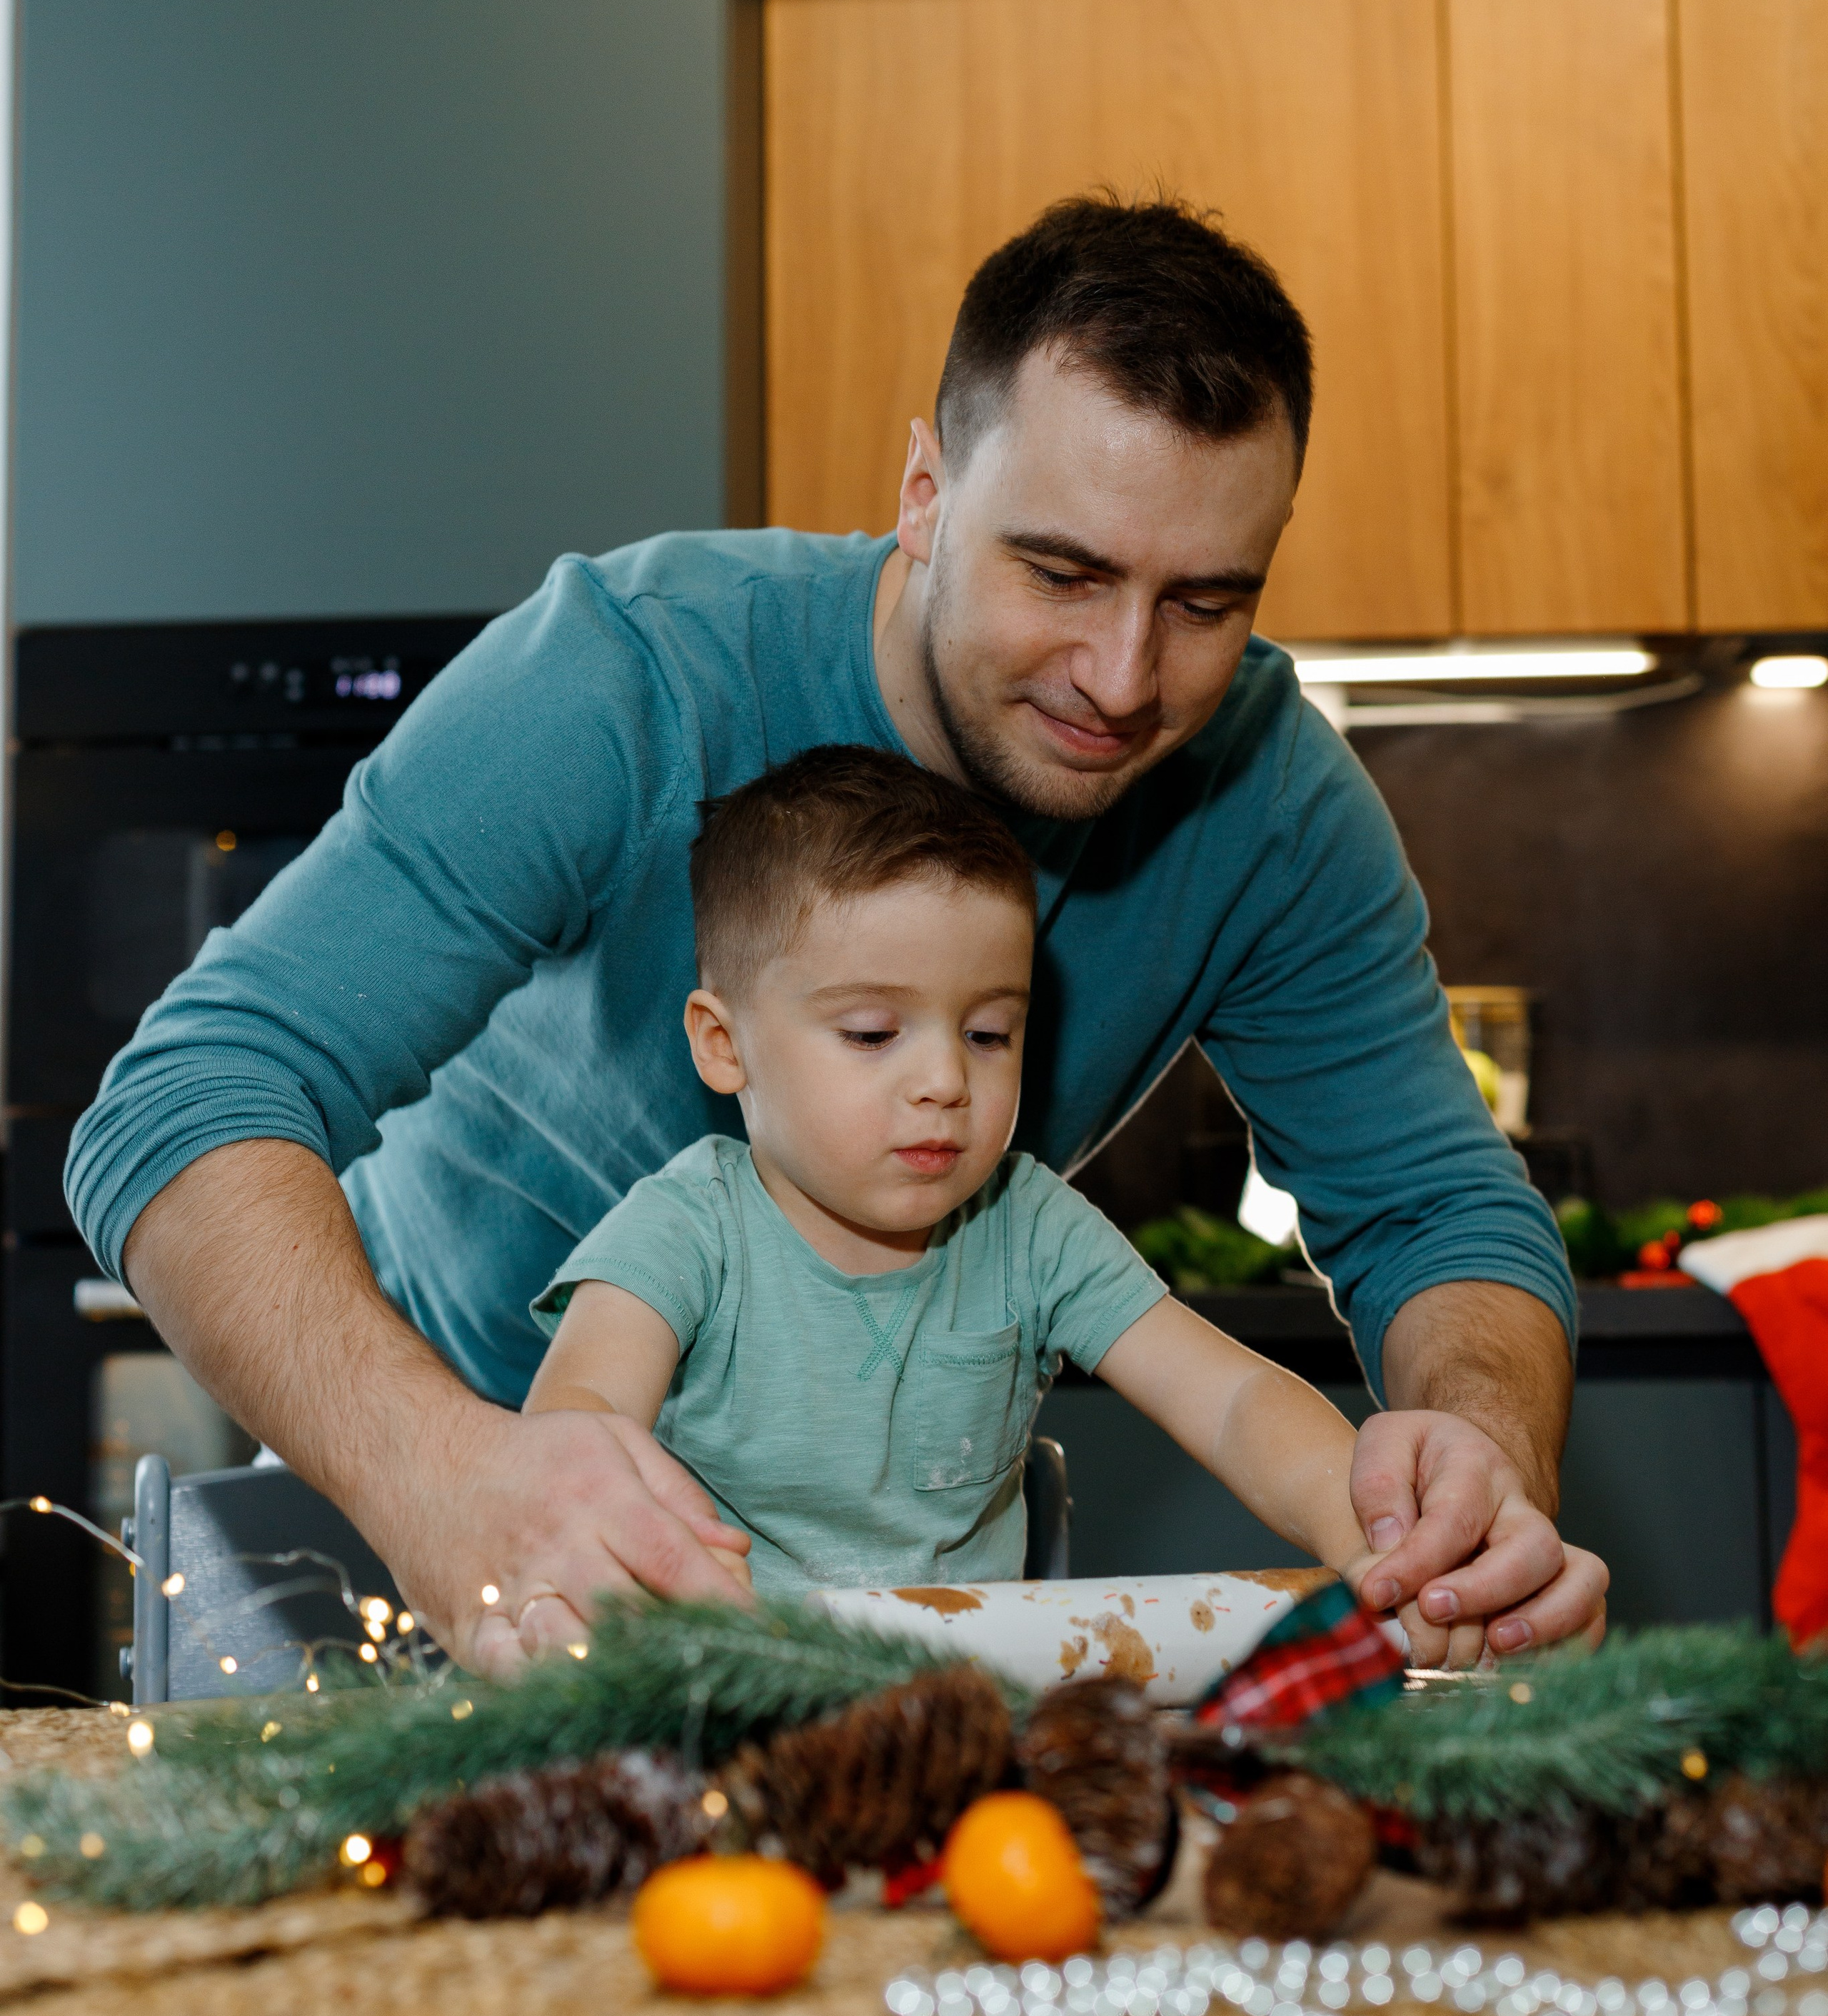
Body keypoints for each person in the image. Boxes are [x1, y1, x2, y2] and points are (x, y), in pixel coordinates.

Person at [70, 194, 1608, 1678]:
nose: (1122, 676)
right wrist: (445, 1479)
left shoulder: (1268, 805)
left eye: (1204, 603)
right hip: (414, 1510)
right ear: (924, 495)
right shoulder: (627, 678)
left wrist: (1471, 1473)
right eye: (1060, 573)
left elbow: (1435, 1215)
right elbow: (180, 1108)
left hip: (884, 1600)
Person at [525, 747, 1417, 1620]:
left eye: (989, 1034)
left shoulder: (1030, 1226)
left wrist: (1383, 1546)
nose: (946, 1081)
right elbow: (581, 1420)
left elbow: (1232, 1404)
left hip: (978, 1711)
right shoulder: (687, 1231)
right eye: (873, 1034)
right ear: (724, 1044)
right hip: (725, 1705)